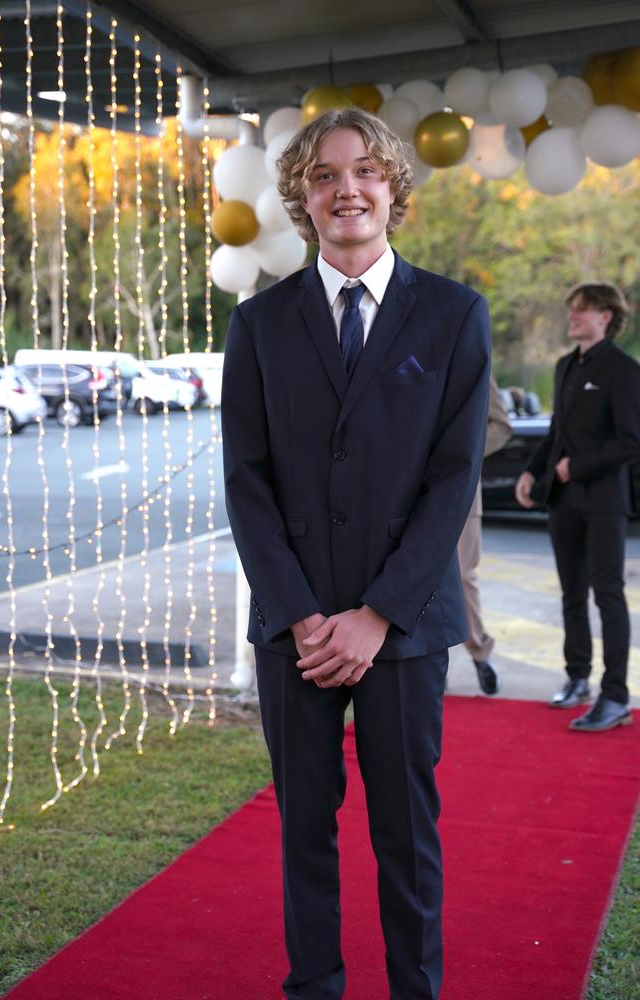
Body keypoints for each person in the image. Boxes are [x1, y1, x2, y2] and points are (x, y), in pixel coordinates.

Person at [221, 108, 490, 1000]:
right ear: (303, 195)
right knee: (306, 827)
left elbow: (453, 481)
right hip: (294, 629)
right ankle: (316, 987)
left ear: (393, 189)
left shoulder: (455, 315)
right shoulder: (258, 326)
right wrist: (305, 616)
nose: (348, 188)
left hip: (402, 627)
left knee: (407, 831)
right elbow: (248, 484)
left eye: (366, 170)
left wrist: (376, 616)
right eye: (327, 174)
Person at [515, 282, 640, 732]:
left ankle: (615, 697)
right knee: (571, 595)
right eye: (572, 311)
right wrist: (532, 471)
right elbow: (556, 434)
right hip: (563, 501)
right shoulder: (566, 365)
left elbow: (630, 443)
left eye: (581, 311)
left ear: (605, 317)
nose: (572, 318)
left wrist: (575, 468)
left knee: (607, 595)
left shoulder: (624, 371)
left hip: (604, 503)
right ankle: (577, 678)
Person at [458, 376, 512, 695]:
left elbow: (501, 426)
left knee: (462, 576)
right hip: (402, 490)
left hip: (460, 488)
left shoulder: (475, 354)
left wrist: (461, 451)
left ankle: (480, 654)